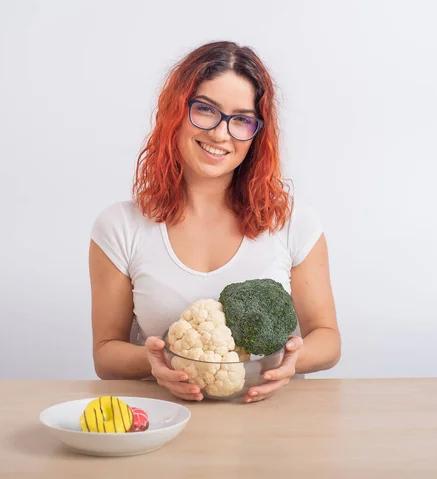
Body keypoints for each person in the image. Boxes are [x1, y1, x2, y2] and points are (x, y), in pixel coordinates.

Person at [88, 41, 341, 403]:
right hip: (167, 419)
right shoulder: (119, 227)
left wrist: (292, 360)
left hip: (274, 425)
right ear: (176, 112)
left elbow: (328, 339)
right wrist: (158, 362)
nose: (221, 134)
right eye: (206, 110)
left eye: (241, 119)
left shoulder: (291, 221)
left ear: (257, 133)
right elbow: (106, 354)